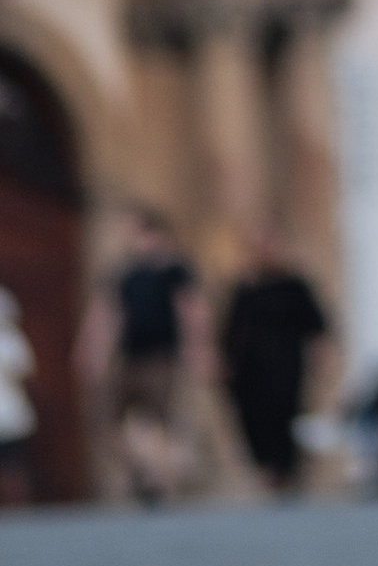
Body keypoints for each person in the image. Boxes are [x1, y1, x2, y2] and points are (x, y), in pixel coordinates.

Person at [100, 212, 202, 505]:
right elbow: (113, 314)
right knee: (122, 425)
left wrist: (196, 349)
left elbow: (190, 310)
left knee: (157, 420)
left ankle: (162, 480)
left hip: (161, 356)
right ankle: (147, 474)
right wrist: (99, 351)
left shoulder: (174, 271)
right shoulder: (128, 274)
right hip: (130, 356)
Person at [220, 237, 331, 494]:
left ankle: (285, 469)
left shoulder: (293, 285)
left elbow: (315, 324)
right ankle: (265, 466)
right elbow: (231, 329)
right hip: (250, 366)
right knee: (254, 416)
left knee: (285, 412)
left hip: (285, 361)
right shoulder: (245, 287)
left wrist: (322, 356)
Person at [0, 282, 34, 506]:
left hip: (10, 414)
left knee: (14, 465)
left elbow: (26, 371)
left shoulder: (12, 341)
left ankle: (18, 507)